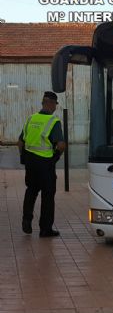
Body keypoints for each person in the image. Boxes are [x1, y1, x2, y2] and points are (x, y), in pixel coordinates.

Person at [17, 91, 66, 237]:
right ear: (50, 103)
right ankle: (45, 229)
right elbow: (61, 145)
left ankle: (27, 220)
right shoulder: (53, 121)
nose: (55, 108)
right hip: (46, 164)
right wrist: (55, 157)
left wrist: (23, 158)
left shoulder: (30, 119)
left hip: (30, 162)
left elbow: (20, 142)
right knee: (48, 195)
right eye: (55, 105)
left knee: (31, 190)